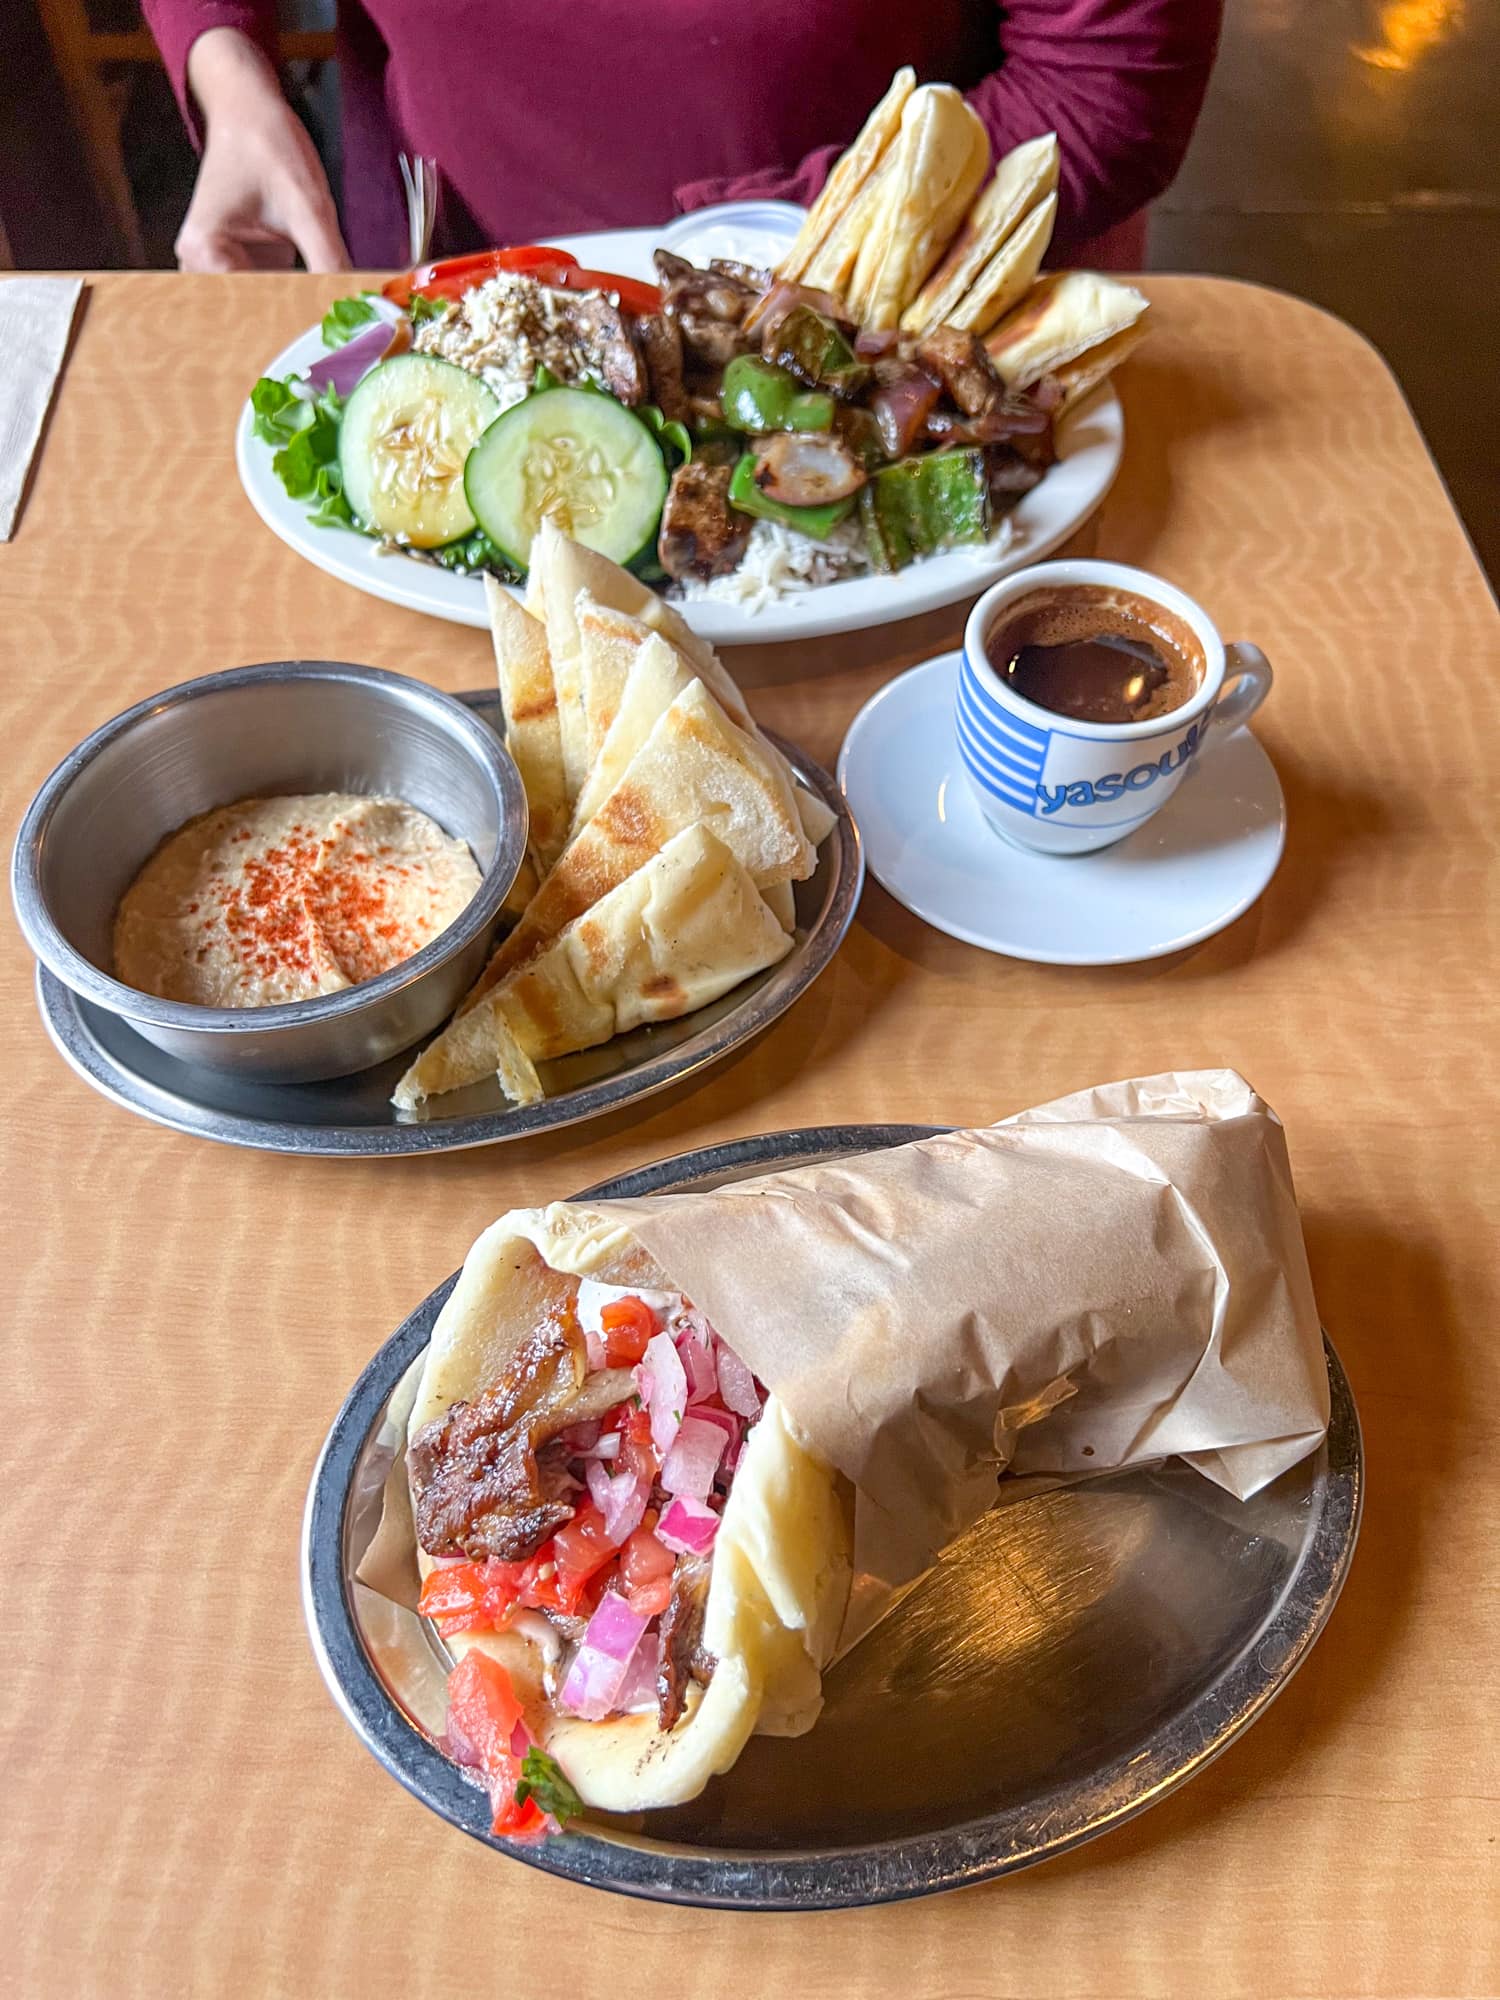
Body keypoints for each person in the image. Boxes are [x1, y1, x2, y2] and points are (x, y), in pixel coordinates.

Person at [143, 1, 1221, 277]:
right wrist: (227, 70)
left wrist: (764, 234)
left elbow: (1103, 87)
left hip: (881, 303)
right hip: (443, 261)